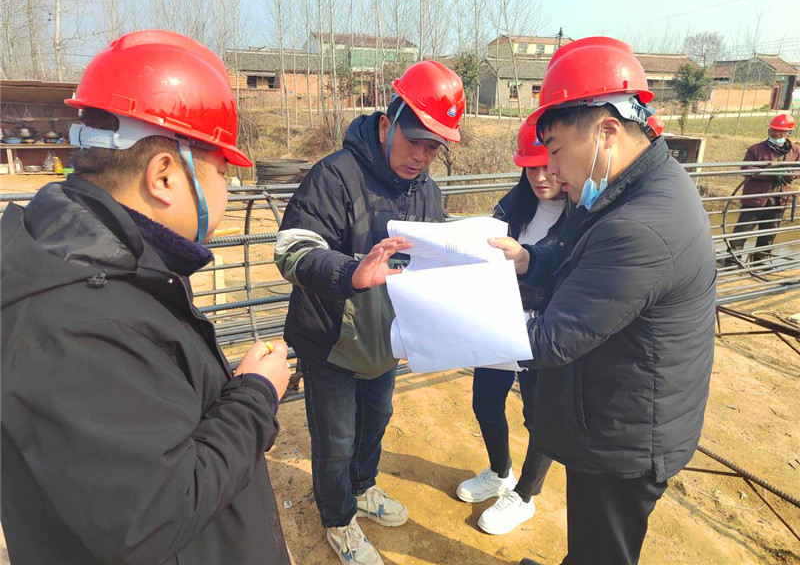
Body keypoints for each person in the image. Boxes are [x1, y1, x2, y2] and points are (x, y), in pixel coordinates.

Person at [1, 30, 292, 565]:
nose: (229, 189)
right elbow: (158, 513)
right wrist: (256, 396)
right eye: (222, 171)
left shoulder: (109, 262)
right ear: (164, 175)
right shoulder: (77, 325)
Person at [488, 37, 717, 565]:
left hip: (624, 436)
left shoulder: (641, 224)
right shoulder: (632, 185)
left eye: (556, 149)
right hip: (613, 408)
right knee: (590, 547)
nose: (550, 169)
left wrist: (449, 321)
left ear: (606, 132)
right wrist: (529, 259)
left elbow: (552, 339)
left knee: (602, 553)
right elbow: (580, 256)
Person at [275, 60, 465, 565]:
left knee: (375, 421)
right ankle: (338, 519)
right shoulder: (335, 176)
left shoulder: (427, 193)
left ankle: (361, 489)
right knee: (335, 438)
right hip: (331, 339)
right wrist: (350, 273)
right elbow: (292, 250)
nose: (422, 156)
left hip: (384, 341)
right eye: (415, 140)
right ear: (386, 124)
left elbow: (429, 262)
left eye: (434, 147)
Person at [456, 122, 568, 535]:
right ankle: (500, 472)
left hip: (545, 329)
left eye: (548, 166)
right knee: (485, 402)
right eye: (530, 168)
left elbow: (562, 266)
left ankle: (524, 495)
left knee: (539, 417)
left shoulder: (580, 215)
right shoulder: (514, 204)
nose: (540, 177)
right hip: (500, 319)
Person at [727, 113, 799, 265]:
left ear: (788, 132)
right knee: (742, 231)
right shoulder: (756, 149)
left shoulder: (795, 151)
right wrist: (772, 173)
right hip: (756, 198)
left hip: (779, 200)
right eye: (773, 130)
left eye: (780, 131)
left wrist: (789, 173)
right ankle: (733, 260)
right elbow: (747, 169)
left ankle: (760, 262)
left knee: (768, 233)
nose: (775, 133)